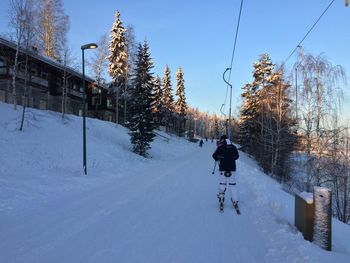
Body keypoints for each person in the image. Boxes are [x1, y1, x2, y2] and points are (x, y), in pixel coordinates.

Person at [212, 134, 240, 211]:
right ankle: (235, 200)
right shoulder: (233, 147)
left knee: (222, 183)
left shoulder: (220, 147)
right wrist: (231, 158)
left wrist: (219, 157)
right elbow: (237, 156)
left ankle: (221, 199)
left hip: (223, 168)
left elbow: (214, 156)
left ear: (223, 140)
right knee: (232, 185)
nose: (220, 141)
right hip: (232, 169)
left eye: (221, 140)